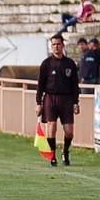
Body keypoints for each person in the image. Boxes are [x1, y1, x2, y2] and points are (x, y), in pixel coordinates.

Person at [36, 33, 80, 166]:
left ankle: (65, 152)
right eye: (53, 44)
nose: (56, 47)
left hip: (66, 99)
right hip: (50, 98)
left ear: (63, 45)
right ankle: (52, 155)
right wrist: (39, 103)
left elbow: (75, 85)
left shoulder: (70, 63)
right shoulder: (46, 64)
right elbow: (40, 84)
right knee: (51, 126)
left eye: (58, 44)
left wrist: (76, 102)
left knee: (69, 132)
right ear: (51, 46)